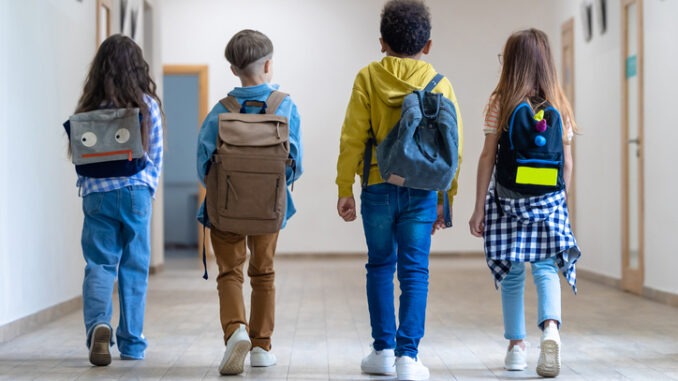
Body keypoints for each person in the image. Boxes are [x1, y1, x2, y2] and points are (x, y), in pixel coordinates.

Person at [335, 1, 463, 380]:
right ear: (428, 45)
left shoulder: (368, 78)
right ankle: (409, 357)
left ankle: (383, 351)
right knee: (414, 271)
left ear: (381, 42)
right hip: (424, 191)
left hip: (377, 186)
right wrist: (447, 199)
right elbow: (453, 148)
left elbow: (352, 137)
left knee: (379, 265)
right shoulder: (441, 83)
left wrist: (344, 186)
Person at [468, 28, 581, 378]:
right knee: (547, 269)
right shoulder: (559, 103)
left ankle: (516, 347)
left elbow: (487, 157)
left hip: (507, 200)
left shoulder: (500, 102)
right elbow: (568, 161)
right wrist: (560, 203)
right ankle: (550, 330)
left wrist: (478, 207)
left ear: (511, 62)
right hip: (548, 200)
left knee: (514, 273)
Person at [196, 29, 303, 376]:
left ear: (232, 69)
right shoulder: (285, 106)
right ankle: (261, 347)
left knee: (229, 272)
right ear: (269, 65)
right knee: (264, 272)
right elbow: (295, 162)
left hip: (225, 209)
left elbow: (203, 164)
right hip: (268, 209)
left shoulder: (219, 111)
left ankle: (234, 332)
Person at [70, 34, 164, 366]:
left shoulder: (89, 107)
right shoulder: (146, 105)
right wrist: (147, 190)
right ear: (137, 68)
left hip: (97, 194)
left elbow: (80, 155)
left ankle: (98, 325)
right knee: (134, 268)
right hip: (136, 192)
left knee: (100, 263)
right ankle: (132, 344)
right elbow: (155, 156)